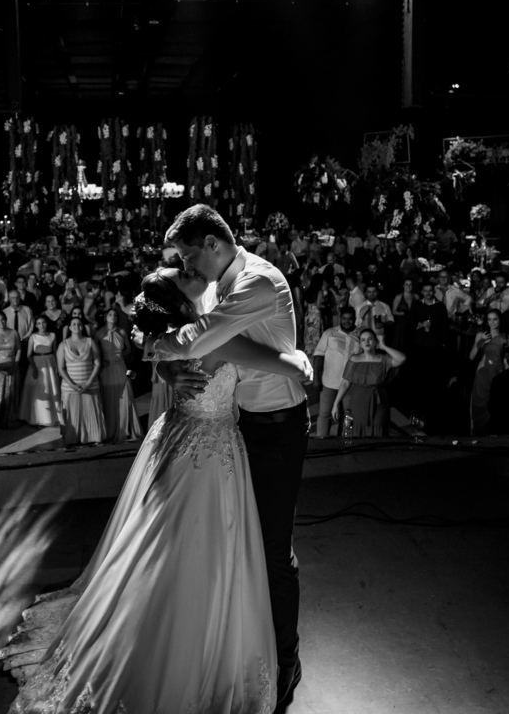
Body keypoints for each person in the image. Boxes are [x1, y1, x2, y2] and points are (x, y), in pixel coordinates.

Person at [0, 263, 312, 713]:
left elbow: (153, 345)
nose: (192, 270)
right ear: (182, 300)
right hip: (208, 446)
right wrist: (298, 360)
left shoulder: (176, 332)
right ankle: (187, 636)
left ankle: (165, 619)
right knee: (194, 545)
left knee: (164, 541)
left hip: (175, 435)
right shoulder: (213, 335)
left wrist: (165, 367)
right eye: (184, 272)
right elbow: (286, 365)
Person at [148, 204, 313, 704]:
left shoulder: (257, 283)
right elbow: (199, 343)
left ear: (213, 244)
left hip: (279, 429)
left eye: (188, 256)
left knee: (273, 551)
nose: (186, 267)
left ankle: (287, 659)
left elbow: (201, 340)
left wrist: (161, 345)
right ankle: (242, 646)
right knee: (238, 546)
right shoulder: (216, 284)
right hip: (240, 428)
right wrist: (163, 361)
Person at [330, 328, 406, 436]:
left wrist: (383, 346)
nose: (367, 342)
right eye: (363, 340)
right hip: (358, 401)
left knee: (378, 428)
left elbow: (402, 358)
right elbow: (345, 383)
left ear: (375, 341)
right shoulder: (354, 359)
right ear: (360, 344)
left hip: (378, 401)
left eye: (370, 339)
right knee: (357, 428)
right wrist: (336, 404)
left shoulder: (383, 359)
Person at [57, 312, 106, 445]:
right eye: (73, 324)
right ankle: (72, 439)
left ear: (82, 326)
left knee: (91, 412)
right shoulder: (63, 345)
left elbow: (97, 363)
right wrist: (73, 385)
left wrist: (88, 383)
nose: (76, 326)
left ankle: (93, 437)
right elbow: (61, 368)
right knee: (72, 414)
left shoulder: (90, 342)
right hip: (70, 387)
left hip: (90, 384)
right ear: (69, 327)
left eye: (79, 324)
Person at [311, 305, 361, 437]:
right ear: (340, 318)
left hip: (350, 384)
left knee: (347, 416)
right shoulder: (329, 333)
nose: (347, 321)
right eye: (344, 318)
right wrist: (316, 378)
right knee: (325, 414)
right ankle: (322, 441)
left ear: (355, 319)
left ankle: (343, 442)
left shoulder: (360, 336)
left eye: (350, 319)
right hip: (329, 382)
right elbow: (318, 355)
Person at [95, 308, 142, 442]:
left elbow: (128, 349)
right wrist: (101, 359)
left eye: (115, 315)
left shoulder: (121, 332)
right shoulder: (99, 333)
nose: (113, 317)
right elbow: (94, 350)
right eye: (110, 314)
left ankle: (124, 427)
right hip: (106, 368)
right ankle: (109, 429)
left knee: (124, 395)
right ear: (105, 317)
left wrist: (123, 353)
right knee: (109, 396)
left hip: (120, 366)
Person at [469, 308, 509, 435]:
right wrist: (479, 342)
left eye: (495, 319)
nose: (492, 322)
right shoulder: (481, 335)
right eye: (489, 320)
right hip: (482, 375)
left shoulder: (507, 338)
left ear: (500, 320)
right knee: (479, 406)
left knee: (497, 407)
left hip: (498, 375)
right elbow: (471, 357)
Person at [18, 315, 63, 428]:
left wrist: (57, 367)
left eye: (43, 323)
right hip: (37, 362)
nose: (41, 325)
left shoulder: (52, 335)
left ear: (47, 323)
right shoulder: (33, 336)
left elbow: (55, 351)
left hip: (50, 361)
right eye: (39, 323)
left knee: (50, 386)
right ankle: (37, 417)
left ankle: (52, 416)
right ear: (36, 325)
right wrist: (34, 368)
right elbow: (29, 355)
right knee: (38, 389)